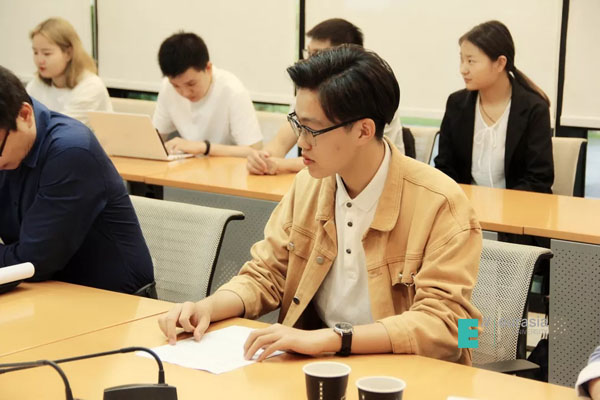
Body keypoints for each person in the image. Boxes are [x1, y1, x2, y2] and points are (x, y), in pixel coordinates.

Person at [158, 45, 482, 365]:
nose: (301, 142)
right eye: (298, 125)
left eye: (312, 129)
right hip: (319, 366)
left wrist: (332, 339)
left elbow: (449, 327)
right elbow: (266, 274)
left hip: (404, 373)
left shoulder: (440, 203)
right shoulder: (309, 185)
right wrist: (208, 307)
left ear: (363, 130)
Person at [0, 65, 154, 295]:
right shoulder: (10, 145)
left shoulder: (71, 152)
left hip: (114, 300)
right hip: (44, 291)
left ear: (24, 115)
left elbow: (33, 261)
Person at [246, 18, 408, 175]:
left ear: (345, 57)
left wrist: (280, 165)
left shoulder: (370, 99)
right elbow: (280, 143)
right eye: (308, 52)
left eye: (317, 54)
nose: (309, 60)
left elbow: (342, 160)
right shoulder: (310, 95)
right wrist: (262, 158)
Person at [434, 20, 553, 193]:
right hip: (466, 205)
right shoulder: (456, 104)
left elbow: (539, 178)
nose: (463, 69)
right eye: (462, 60)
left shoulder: (534, 109)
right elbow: (444, 168)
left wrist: (502, 205)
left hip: (518, 205)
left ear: (500, 63)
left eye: (471, 61)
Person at [153, 32, 262, 157]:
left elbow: (255, 151)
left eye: (191, 84)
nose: (185, 93)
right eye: (176, 86)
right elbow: (155, 138)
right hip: (188, 166)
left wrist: (204, 148)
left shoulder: (232, 90)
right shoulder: (167, 87)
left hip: (227, 166)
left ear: (208, 68)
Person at [26, 17, 112, 126]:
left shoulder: (91, 85)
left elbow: (61, 128)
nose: (39, 60)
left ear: (68, 53)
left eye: (47, 53)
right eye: (35, 52)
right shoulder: (36, 84)